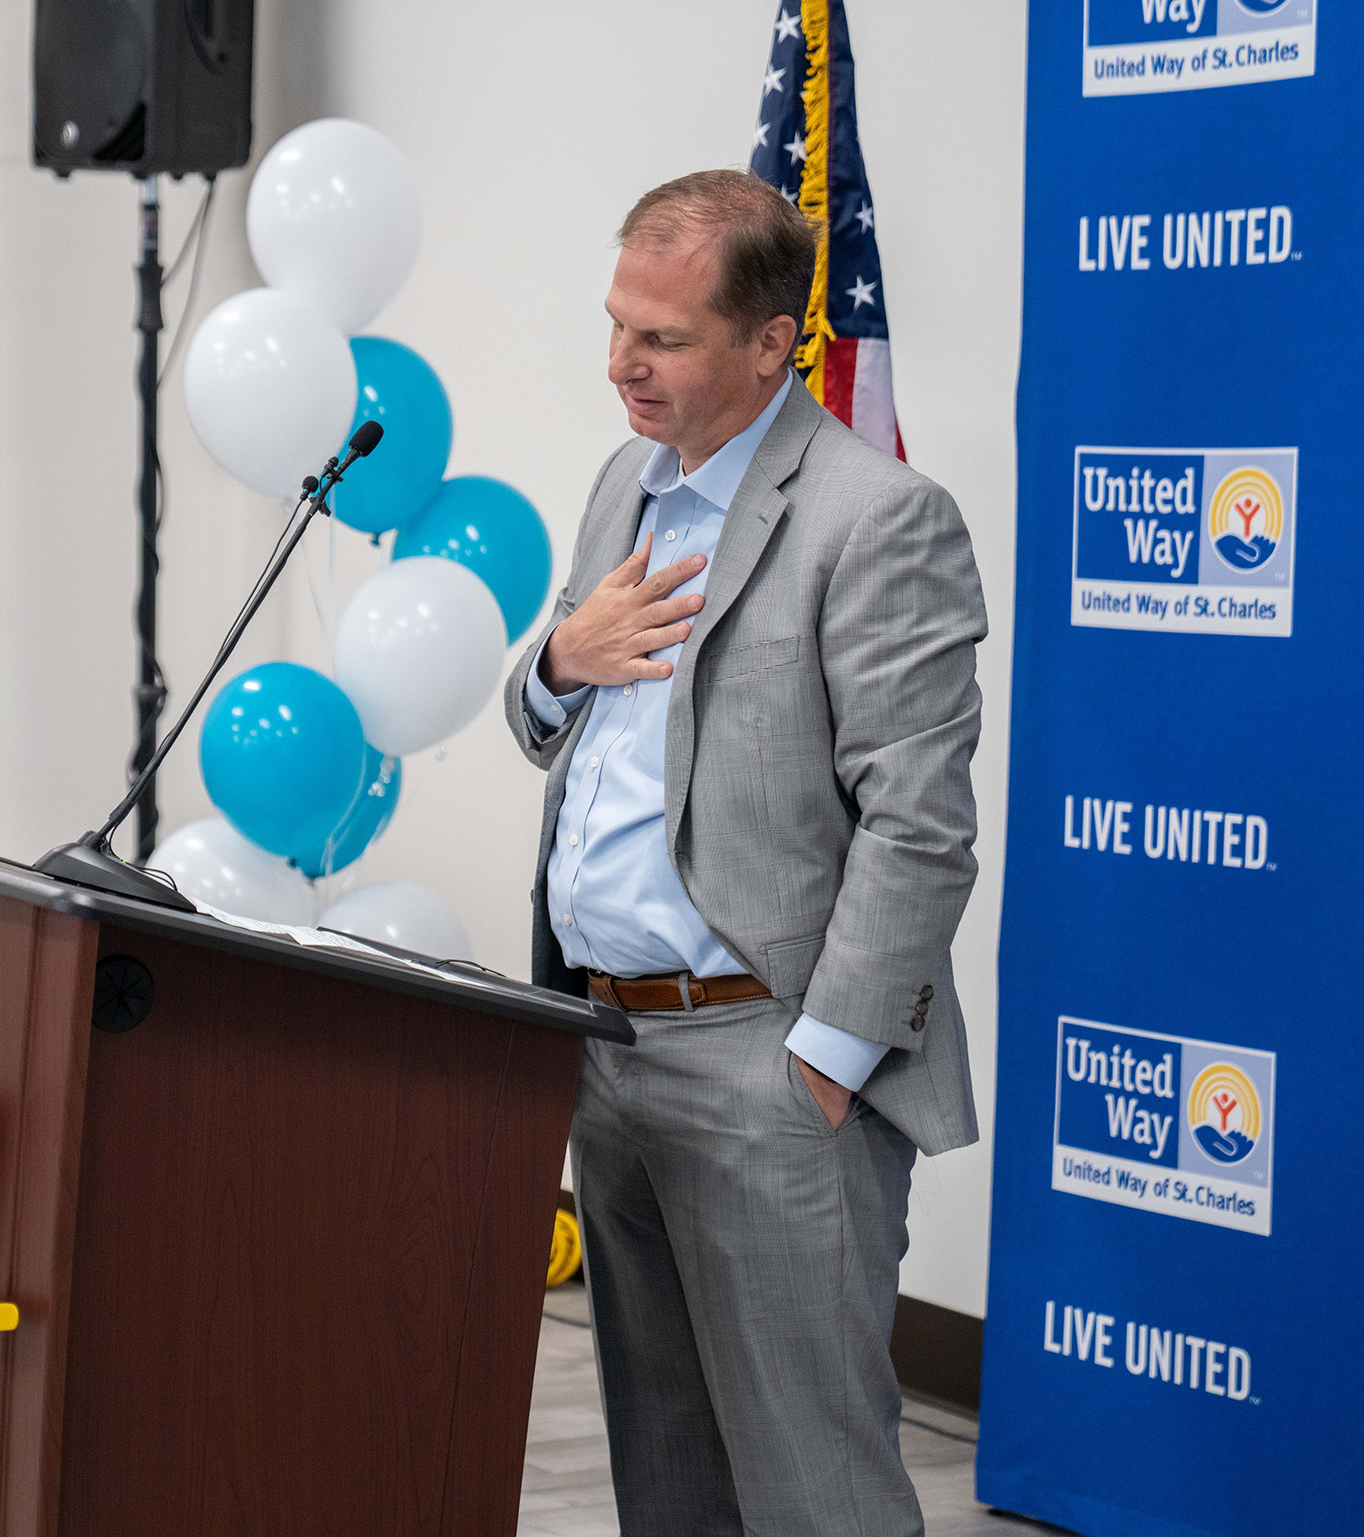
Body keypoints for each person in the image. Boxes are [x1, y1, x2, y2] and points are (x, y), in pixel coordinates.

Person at [504, 169, 986, 1536]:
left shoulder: (878, 520)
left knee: (812, 1488)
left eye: (661, 338)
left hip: (766, 1066)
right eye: (616, 327)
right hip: (607, 1049)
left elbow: (920, 828)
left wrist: (819, 1068)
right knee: (670, 1478)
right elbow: (554, 727)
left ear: (772, 342)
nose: (621, 366)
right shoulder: (624, 488)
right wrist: (555, 659)